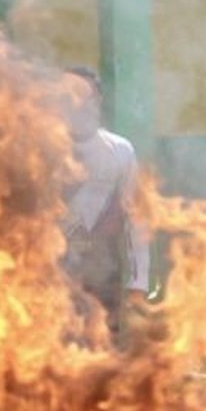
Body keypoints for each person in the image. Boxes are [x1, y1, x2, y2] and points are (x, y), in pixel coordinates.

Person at [59, 66, 150, 335]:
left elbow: (137, 221)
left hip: (102, 274)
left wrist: (138, 283)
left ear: (98, 100)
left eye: (88, 96)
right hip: (51, 275)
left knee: (102, 354)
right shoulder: (39, 149)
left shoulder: (120, 152)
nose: (81, 104)